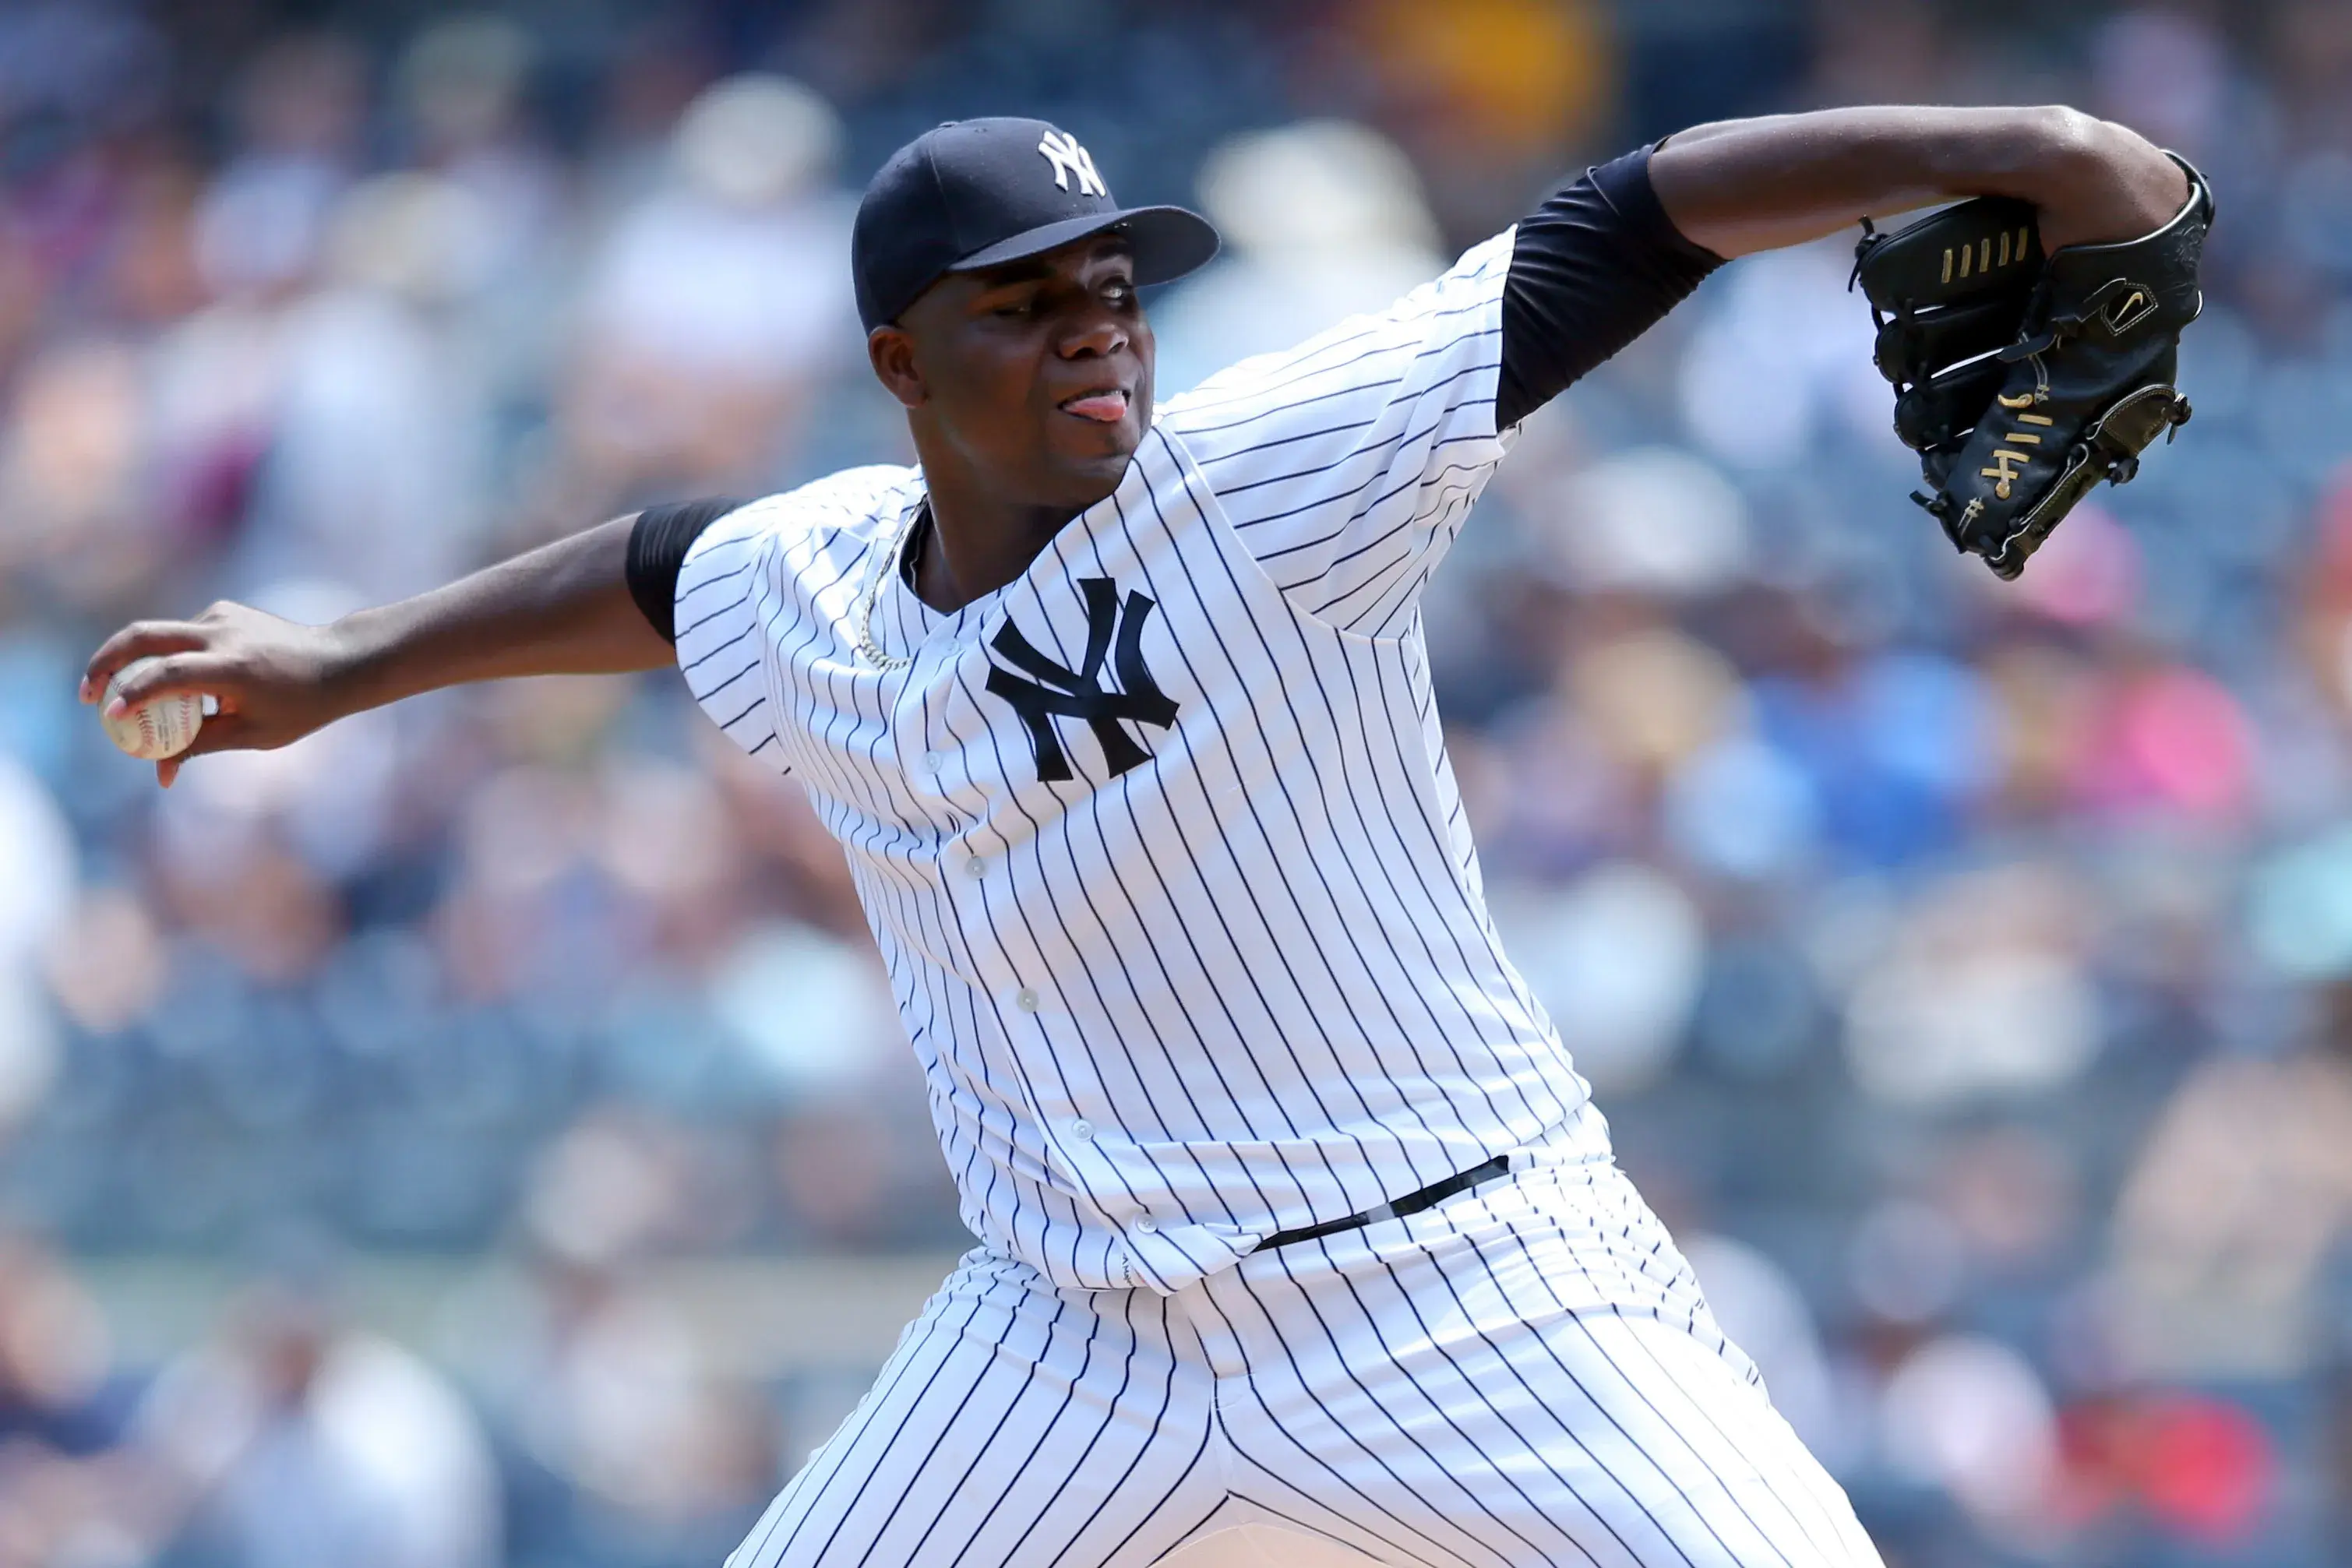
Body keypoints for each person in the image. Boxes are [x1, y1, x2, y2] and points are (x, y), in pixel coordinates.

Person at [86, 104, 2192, 1567]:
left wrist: (2027, 151)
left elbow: (1619, 220)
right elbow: (657, 562)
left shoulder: (1274, 476)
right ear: (904, 364)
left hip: (1466, 1284)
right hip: (1065, 1340)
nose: (1098, 324)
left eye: (1113, 286)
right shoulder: (810, 579)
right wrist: (348, 655)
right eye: (1026, 303)